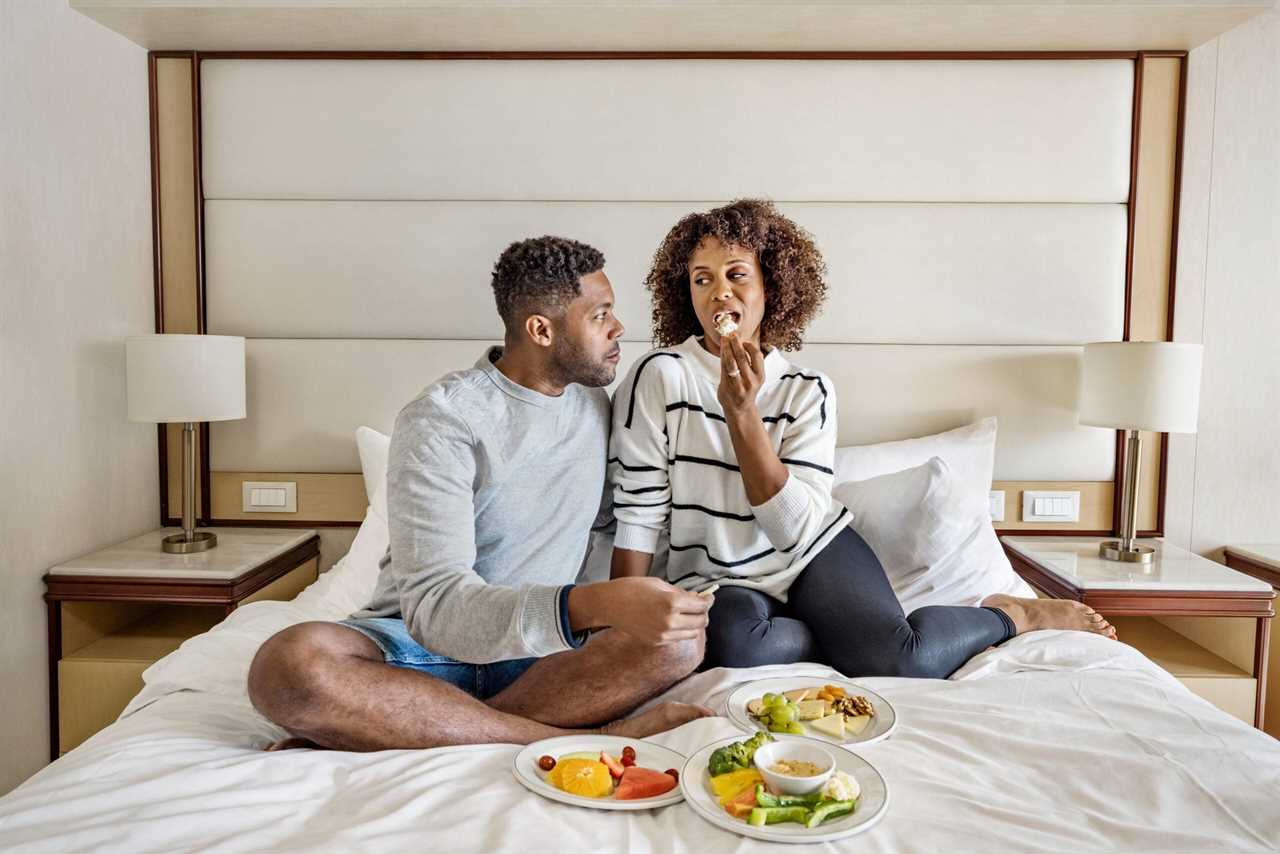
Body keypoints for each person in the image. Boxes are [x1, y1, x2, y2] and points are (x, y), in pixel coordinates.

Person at [608, 199, 1115, 677]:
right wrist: (617, 622)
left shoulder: (809, 391)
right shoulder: (659, 375)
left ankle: (1010, 615)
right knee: (739, 649)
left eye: (737, 275)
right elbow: (639, 512)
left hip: (813, 552)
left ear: (772, 287)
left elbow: (794, 529)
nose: (719, 292)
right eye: (702, 279)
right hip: (720, 578)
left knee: (903, 659)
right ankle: (840, 639)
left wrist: (743, 417)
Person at [247, 236, 714, 751]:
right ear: (541, 329)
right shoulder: (443, 420)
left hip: (539, 661)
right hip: (421, 652)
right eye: (601, 314)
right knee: (289, 665)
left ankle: (405, 727)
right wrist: (595, 603)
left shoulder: (594, 405)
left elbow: (622, 518)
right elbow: (437, 607)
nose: (619, 328)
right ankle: (586, 736)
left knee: (681, 642)